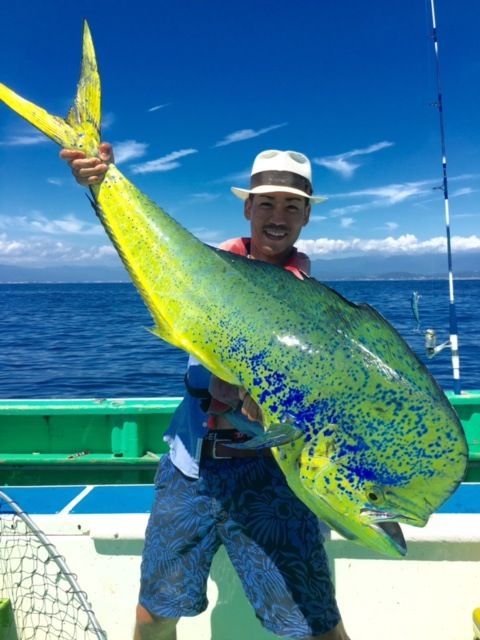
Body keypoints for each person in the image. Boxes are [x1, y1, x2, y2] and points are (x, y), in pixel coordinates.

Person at [60, 145, 351, 640]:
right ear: (247, 209)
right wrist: (99, 182)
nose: (277, 217)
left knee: (313, 621)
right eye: (266, 204)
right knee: (154, 613)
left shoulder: (312, 302)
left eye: (290, 207)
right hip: (191, 465)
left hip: (271, 473)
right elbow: (143, 249)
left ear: (306, 216)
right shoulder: (204, 270)